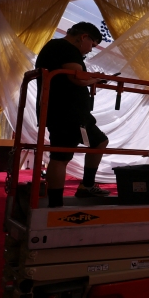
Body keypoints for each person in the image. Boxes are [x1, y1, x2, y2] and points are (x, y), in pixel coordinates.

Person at [34, 22, 109, 207]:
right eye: (92, 44)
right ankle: (60, 200)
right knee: (61, 157)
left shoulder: (56, 47)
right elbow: (76, 78)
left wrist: (92, 78)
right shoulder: (65, 47)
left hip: (65, 111)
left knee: (95, 142)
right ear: (84, 37)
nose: (89, 50)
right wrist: (97, 78)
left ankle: (80, 189)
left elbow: (75, 76)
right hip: (68, 112)